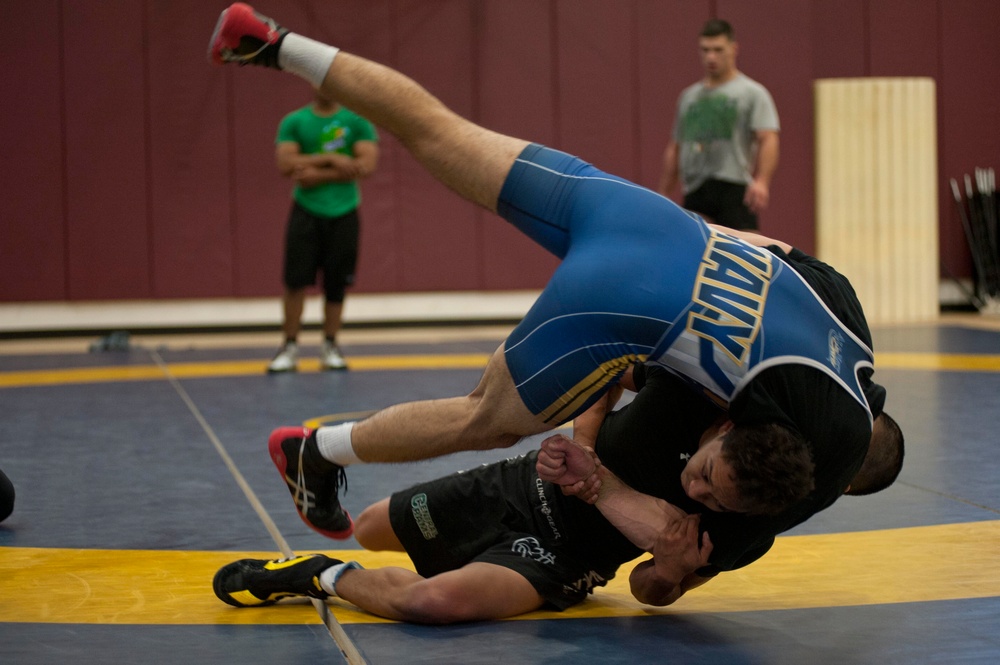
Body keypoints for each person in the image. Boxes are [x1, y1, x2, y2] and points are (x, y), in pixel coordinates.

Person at [209, 4, 897, 549]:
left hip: (645, 217)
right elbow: (684, 554)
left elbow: (765, 243)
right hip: (629, 298)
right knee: (486, 418)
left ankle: (271, 42)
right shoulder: (808, 463)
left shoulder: (849, 316)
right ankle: (317, 454)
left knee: (437, 129)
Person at [212, 368, 902, 623]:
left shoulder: (747, 522)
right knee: (367, 525)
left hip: (561, 555)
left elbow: (650, 594)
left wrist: (667, 570)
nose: (696, 491)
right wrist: (586, 442)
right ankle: (357, 531)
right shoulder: (694, 392)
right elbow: (603, 372)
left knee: (433, 601)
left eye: (711, 499)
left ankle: (314, 576)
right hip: (522, 485)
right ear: (724, 427)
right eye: (701, 474)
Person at [266, 87, 379, 373]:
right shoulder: (295, 121)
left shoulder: (356, 122)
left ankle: (330, 345)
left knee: (336, 283)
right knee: (295, 282)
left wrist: (316, 173)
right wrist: (331, 160)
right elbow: (285, 163)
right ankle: (289, 347)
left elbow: (366, 164)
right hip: (305, 211)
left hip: (344, 211)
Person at [655, 19, 779, 231]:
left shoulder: (752, 93)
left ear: (733, 49)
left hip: (734, 186)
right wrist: (663, 194)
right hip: (696, 188)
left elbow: (768, 137)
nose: (711, 57)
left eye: (718, 50)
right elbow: (676, 146)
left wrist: (762, 181)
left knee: (746, 254)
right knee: (696, 252)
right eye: (705, 50)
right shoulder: (689, 97)